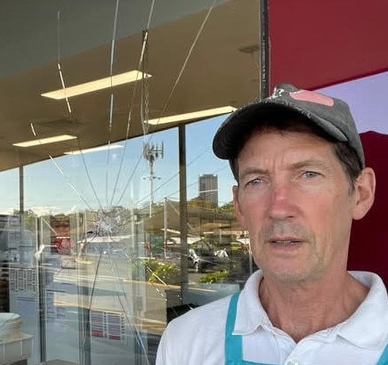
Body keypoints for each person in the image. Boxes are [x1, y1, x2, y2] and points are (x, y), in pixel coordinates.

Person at [156, 84, 388, 364]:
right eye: (256, 181)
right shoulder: (187, 341)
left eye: (308, 174)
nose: (278, 208)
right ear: (239, 205)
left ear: (361, 194)